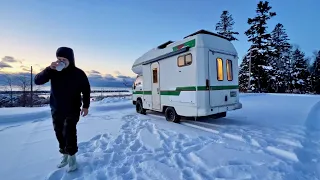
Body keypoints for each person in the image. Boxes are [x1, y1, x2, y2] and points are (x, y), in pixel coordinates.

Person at [34, 47, 91, 172]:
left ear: (70, 59)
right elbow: (37, 81)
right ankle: (64, 155)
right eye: (59, 59)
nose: (61, 61)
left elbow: (86, 90)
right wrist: (48, 69)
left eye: (64, 59)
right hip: (56, 108)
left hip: (73, 109)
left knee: (69, 130)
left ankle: (72, 158)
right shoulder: (53, 71)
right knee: (59, 132)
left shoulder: (79, 73)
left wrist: (86, 106)